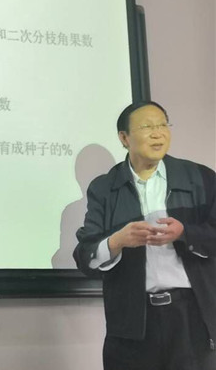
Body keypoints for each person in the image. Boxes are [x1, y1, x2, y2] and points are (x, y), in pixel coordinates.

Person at [74, 101, 216, 370]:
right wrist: (117, 241)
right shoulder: (104, 188)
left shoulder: (201, 178)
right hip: (132, 324)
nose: (157, 133)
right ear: (124, 138)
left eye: (162, 125)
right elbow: (85, 255)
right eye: (147, 127)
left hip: (192, 318)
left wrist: (185, 233)